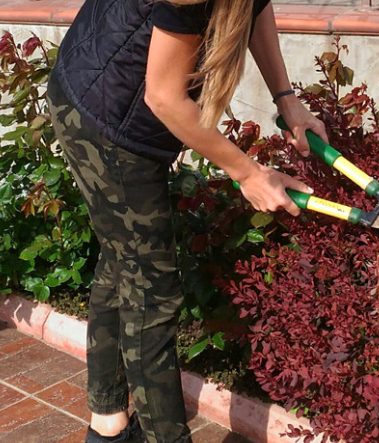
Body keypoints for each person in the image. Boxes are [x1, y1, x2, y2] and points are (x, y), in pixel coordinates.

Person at [47, 0, 327, 441]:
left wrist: (286, 99)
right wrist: (248, 173)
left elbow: (254, 6)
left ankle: (107, 425)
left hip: (101, 88)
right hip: (103, 116)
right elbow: (163, 97)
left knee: (125, 260)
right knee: (151, 289)